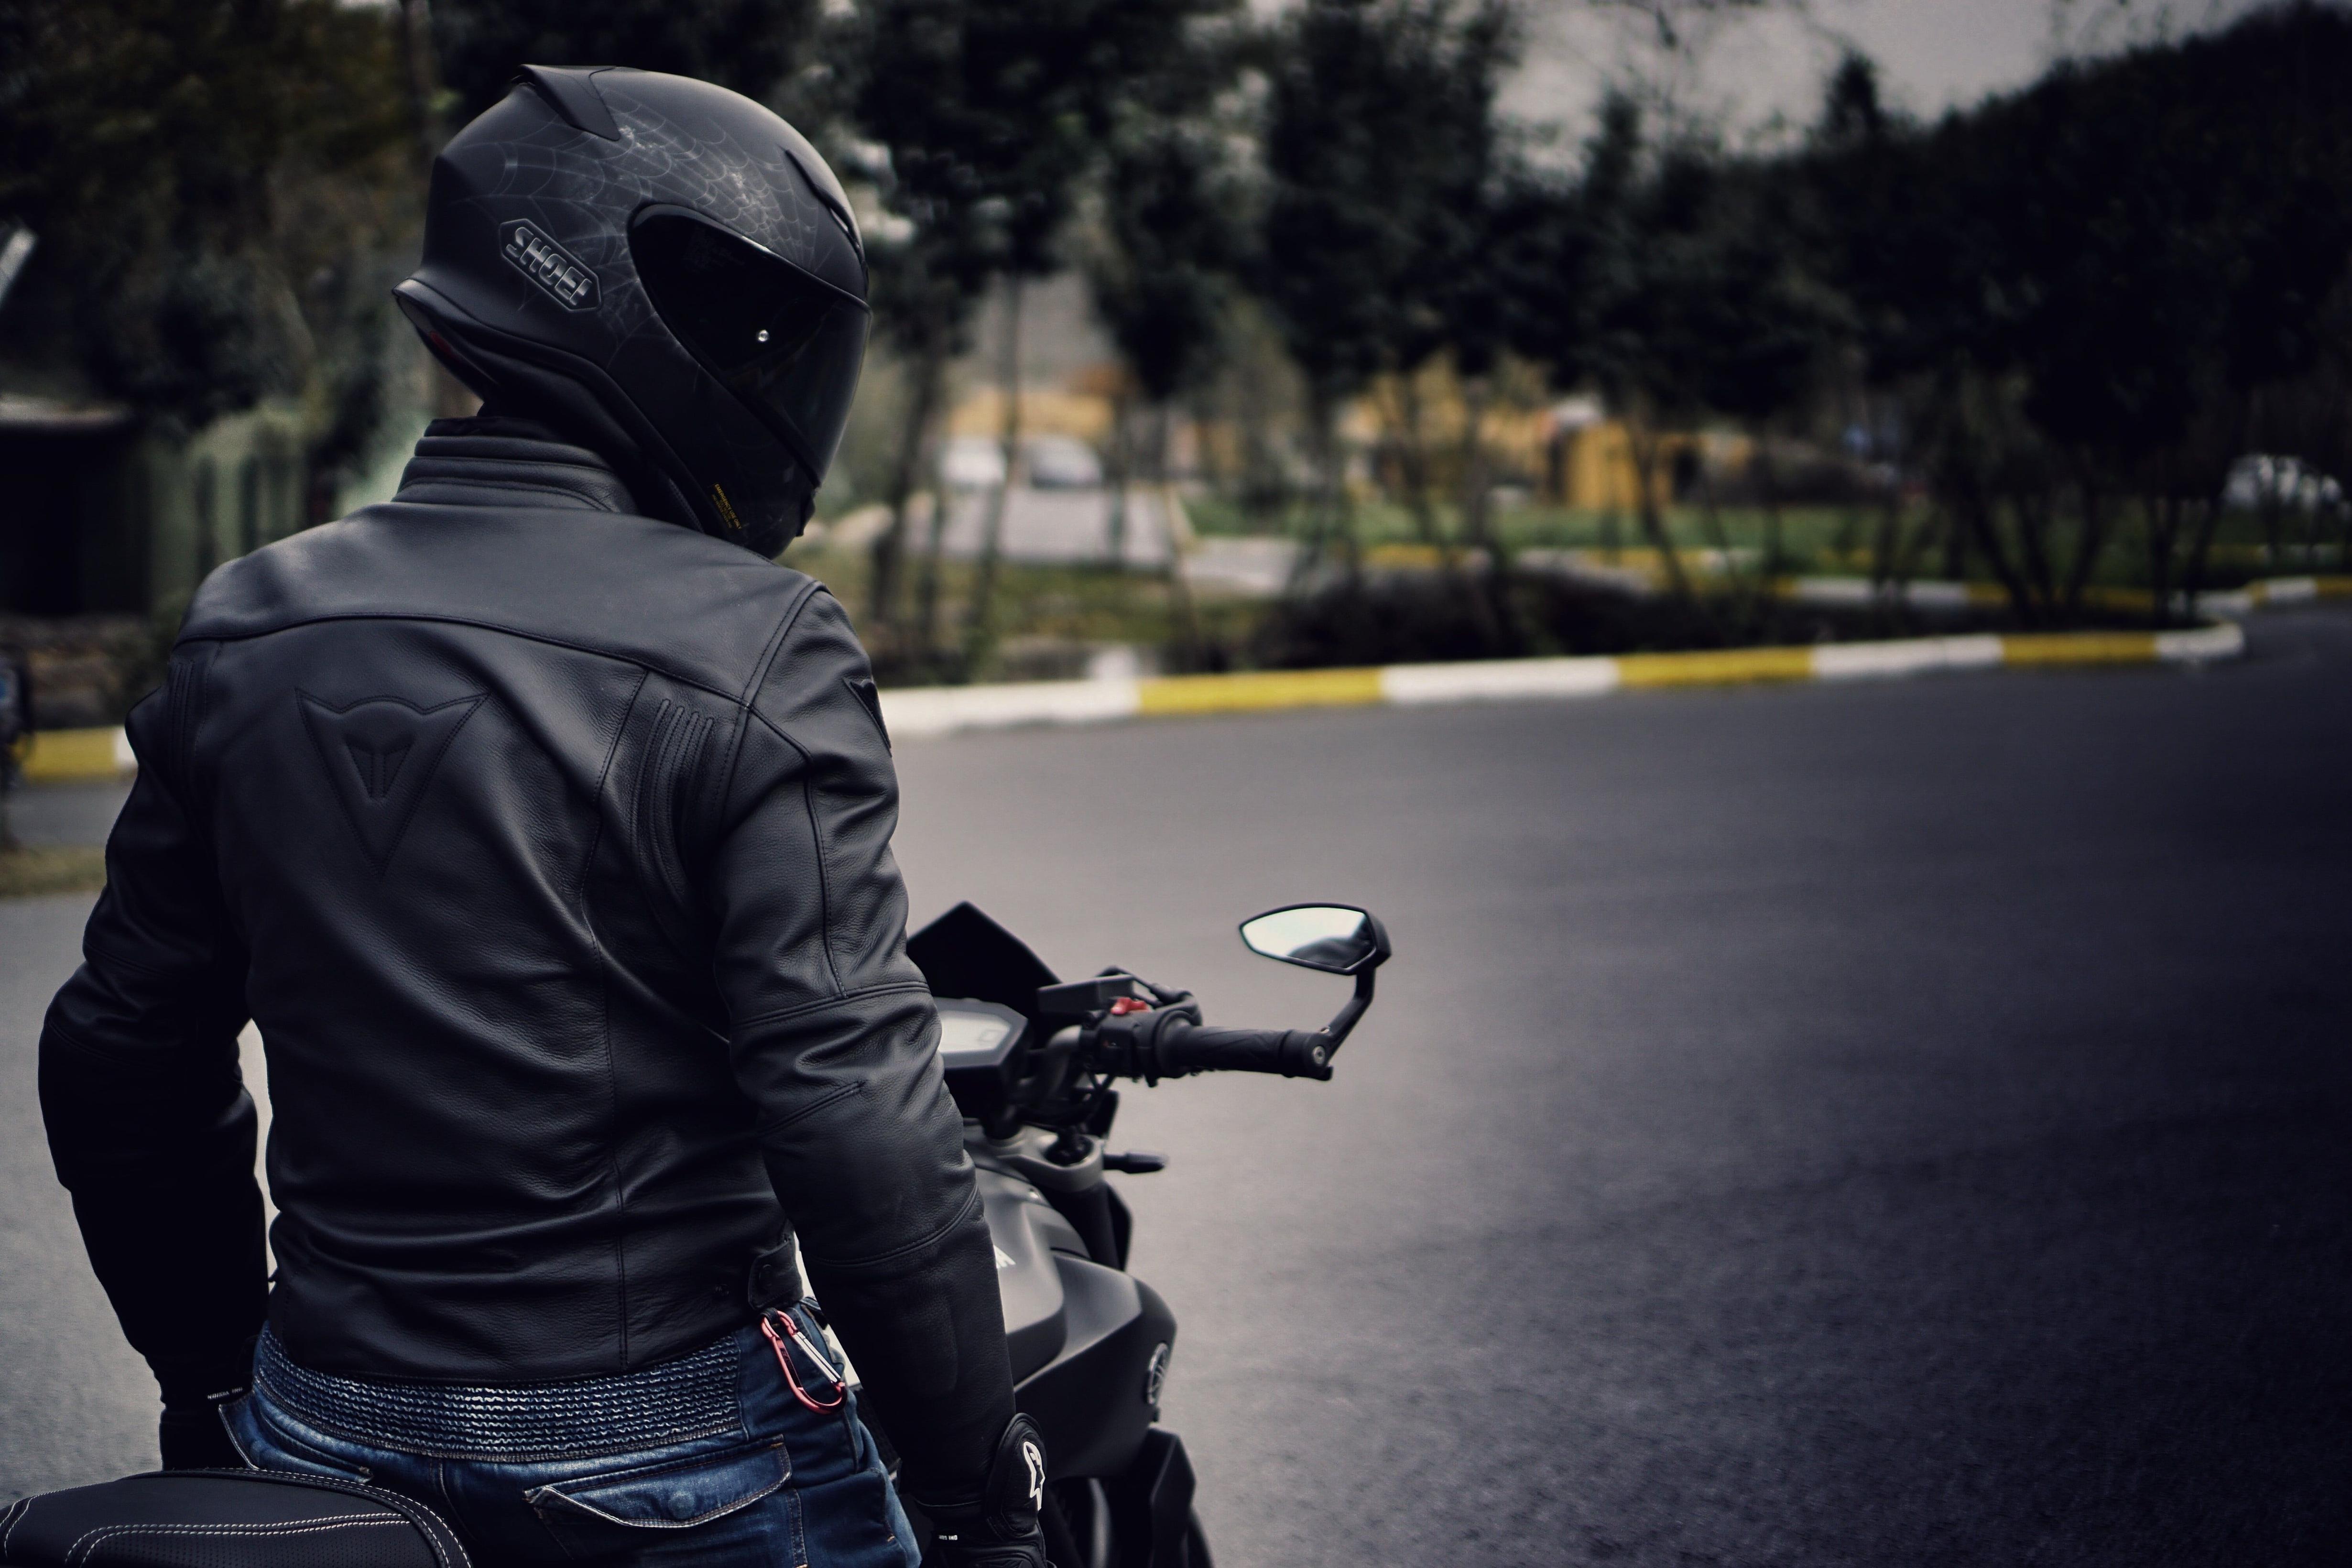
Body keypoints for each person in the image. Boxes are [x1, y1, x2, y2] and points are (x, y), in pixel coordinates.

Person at [38, 67, 1046, 1568]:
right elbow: (854, 1113)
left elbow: (122, 1057)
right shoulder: (759, 642)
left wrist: (210, 1381)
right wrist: (973, 1490)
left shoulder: (246, 623)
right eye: (755, 332)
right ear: (636, 312)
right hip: (681, 1450)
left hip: (322, 1427)